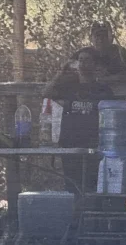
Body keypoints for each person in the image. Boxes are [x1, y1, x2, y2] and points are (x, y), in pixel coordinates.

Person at [43, 47, 116, 193]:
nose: (83, 64)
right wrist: (62, 71)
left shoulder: (103, 90)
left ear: (95, 64)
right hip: (70, 143)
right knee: (72, 187)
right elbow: (47, 93)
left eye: (87, 60)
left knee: (92, 187)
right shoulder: (68, 86)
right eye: (80, 60)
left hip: (93, 145)